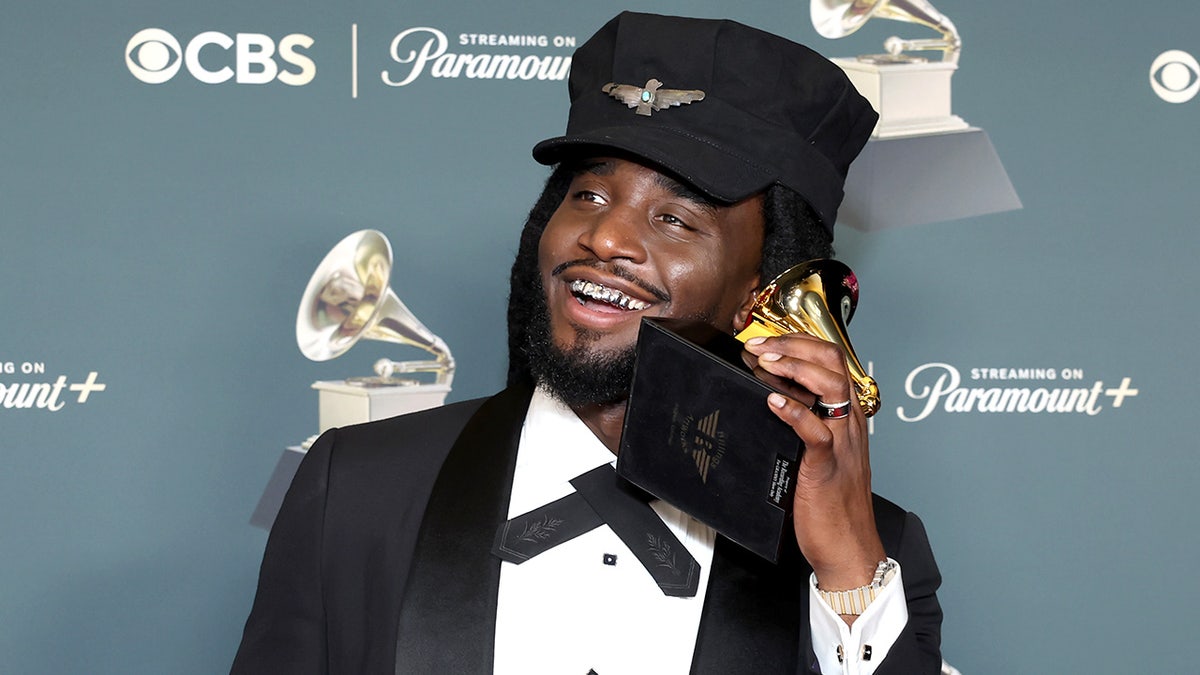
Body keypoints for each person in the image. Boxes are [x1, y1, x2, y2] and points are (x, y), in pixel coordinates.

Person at [232, 11, 942, 675]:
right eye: (589, 196)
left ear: (763, 288)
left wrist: (847, 572)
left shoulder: (874, 554)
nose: (604, 239)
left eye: (673, 217)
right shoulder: (355, 489)